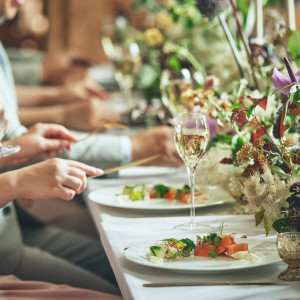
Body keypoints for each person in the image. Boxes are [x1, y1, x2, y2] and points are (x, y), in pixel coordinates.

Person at [0, 101, 120, 295]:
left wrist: (15, 148)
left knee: (118, 262)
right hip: (6, 256)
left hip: (12, 228)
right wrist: (15, 183)